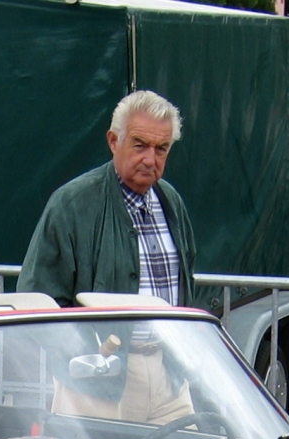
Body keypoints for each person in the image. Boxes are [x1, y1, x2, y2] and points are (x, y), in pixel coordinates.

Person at [18, 89, 196, 307]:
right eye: (140, 145)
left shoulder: (172, 202)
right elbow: (40, 300)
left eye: (161, 148)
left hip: (165, 341)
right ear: (113, 141)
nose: (150, 160)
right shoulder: (71, 205)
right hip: (98, 342)